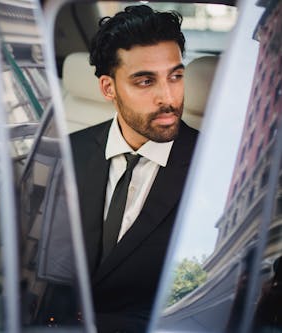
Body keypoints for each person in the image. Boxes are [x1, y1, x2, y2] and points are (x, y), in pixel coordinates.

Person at [70, 5, 198, 332]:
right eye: (145, 81)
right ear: (108, 88)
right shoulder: (67, 153)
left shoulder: (213, 166)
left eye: (176, 76)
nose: (168, 97)